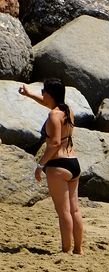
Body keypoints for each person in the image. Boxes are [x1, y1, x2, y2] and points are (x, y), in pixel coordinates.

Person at [19, 79, 85, 254]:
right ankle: (78, 249)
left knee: (63, 212)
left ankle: (65, 251)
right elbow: (49, 105)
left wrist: (41, 165)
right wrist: (29, 94)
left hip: (58, 165)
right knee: (75, 209)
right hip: (73, 162)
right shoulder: (67, 110)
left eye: (43, 91)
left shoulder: (53, 116)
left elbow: (54, 143)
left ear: (49, 94)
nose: (41, 93)